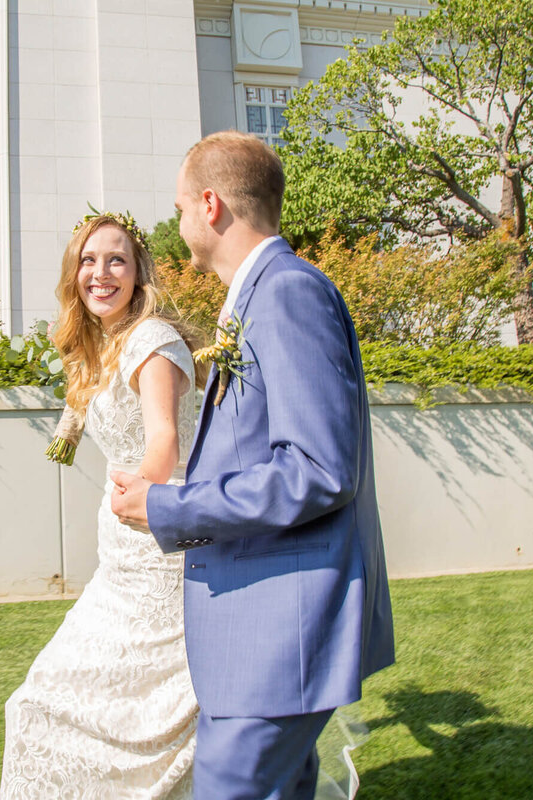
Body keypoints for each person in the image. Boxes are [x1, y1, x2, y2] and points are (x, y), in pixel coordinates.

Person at [111, 131, 396, 800]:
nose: (178, 224)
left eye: (180, 207)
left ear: (210, 205)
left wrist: (165, 508)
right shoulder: (260, 293)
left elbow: (319, 470)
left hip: (278, 638)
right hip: (262, 638)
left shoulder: (287, 291)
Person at [0, 212, 201, 799]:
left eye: (116, 259)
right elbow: (83, 395)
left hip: (164, 550)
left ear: (138, 271)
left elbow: (163, 439)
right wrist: (64, 435)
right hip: (120, 556)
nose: (101, 272)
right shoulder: (99, 344)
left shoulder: (153, 341)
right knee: (52, 702)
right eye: (89, 260)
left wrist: (142, 490)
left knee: (110, 714)